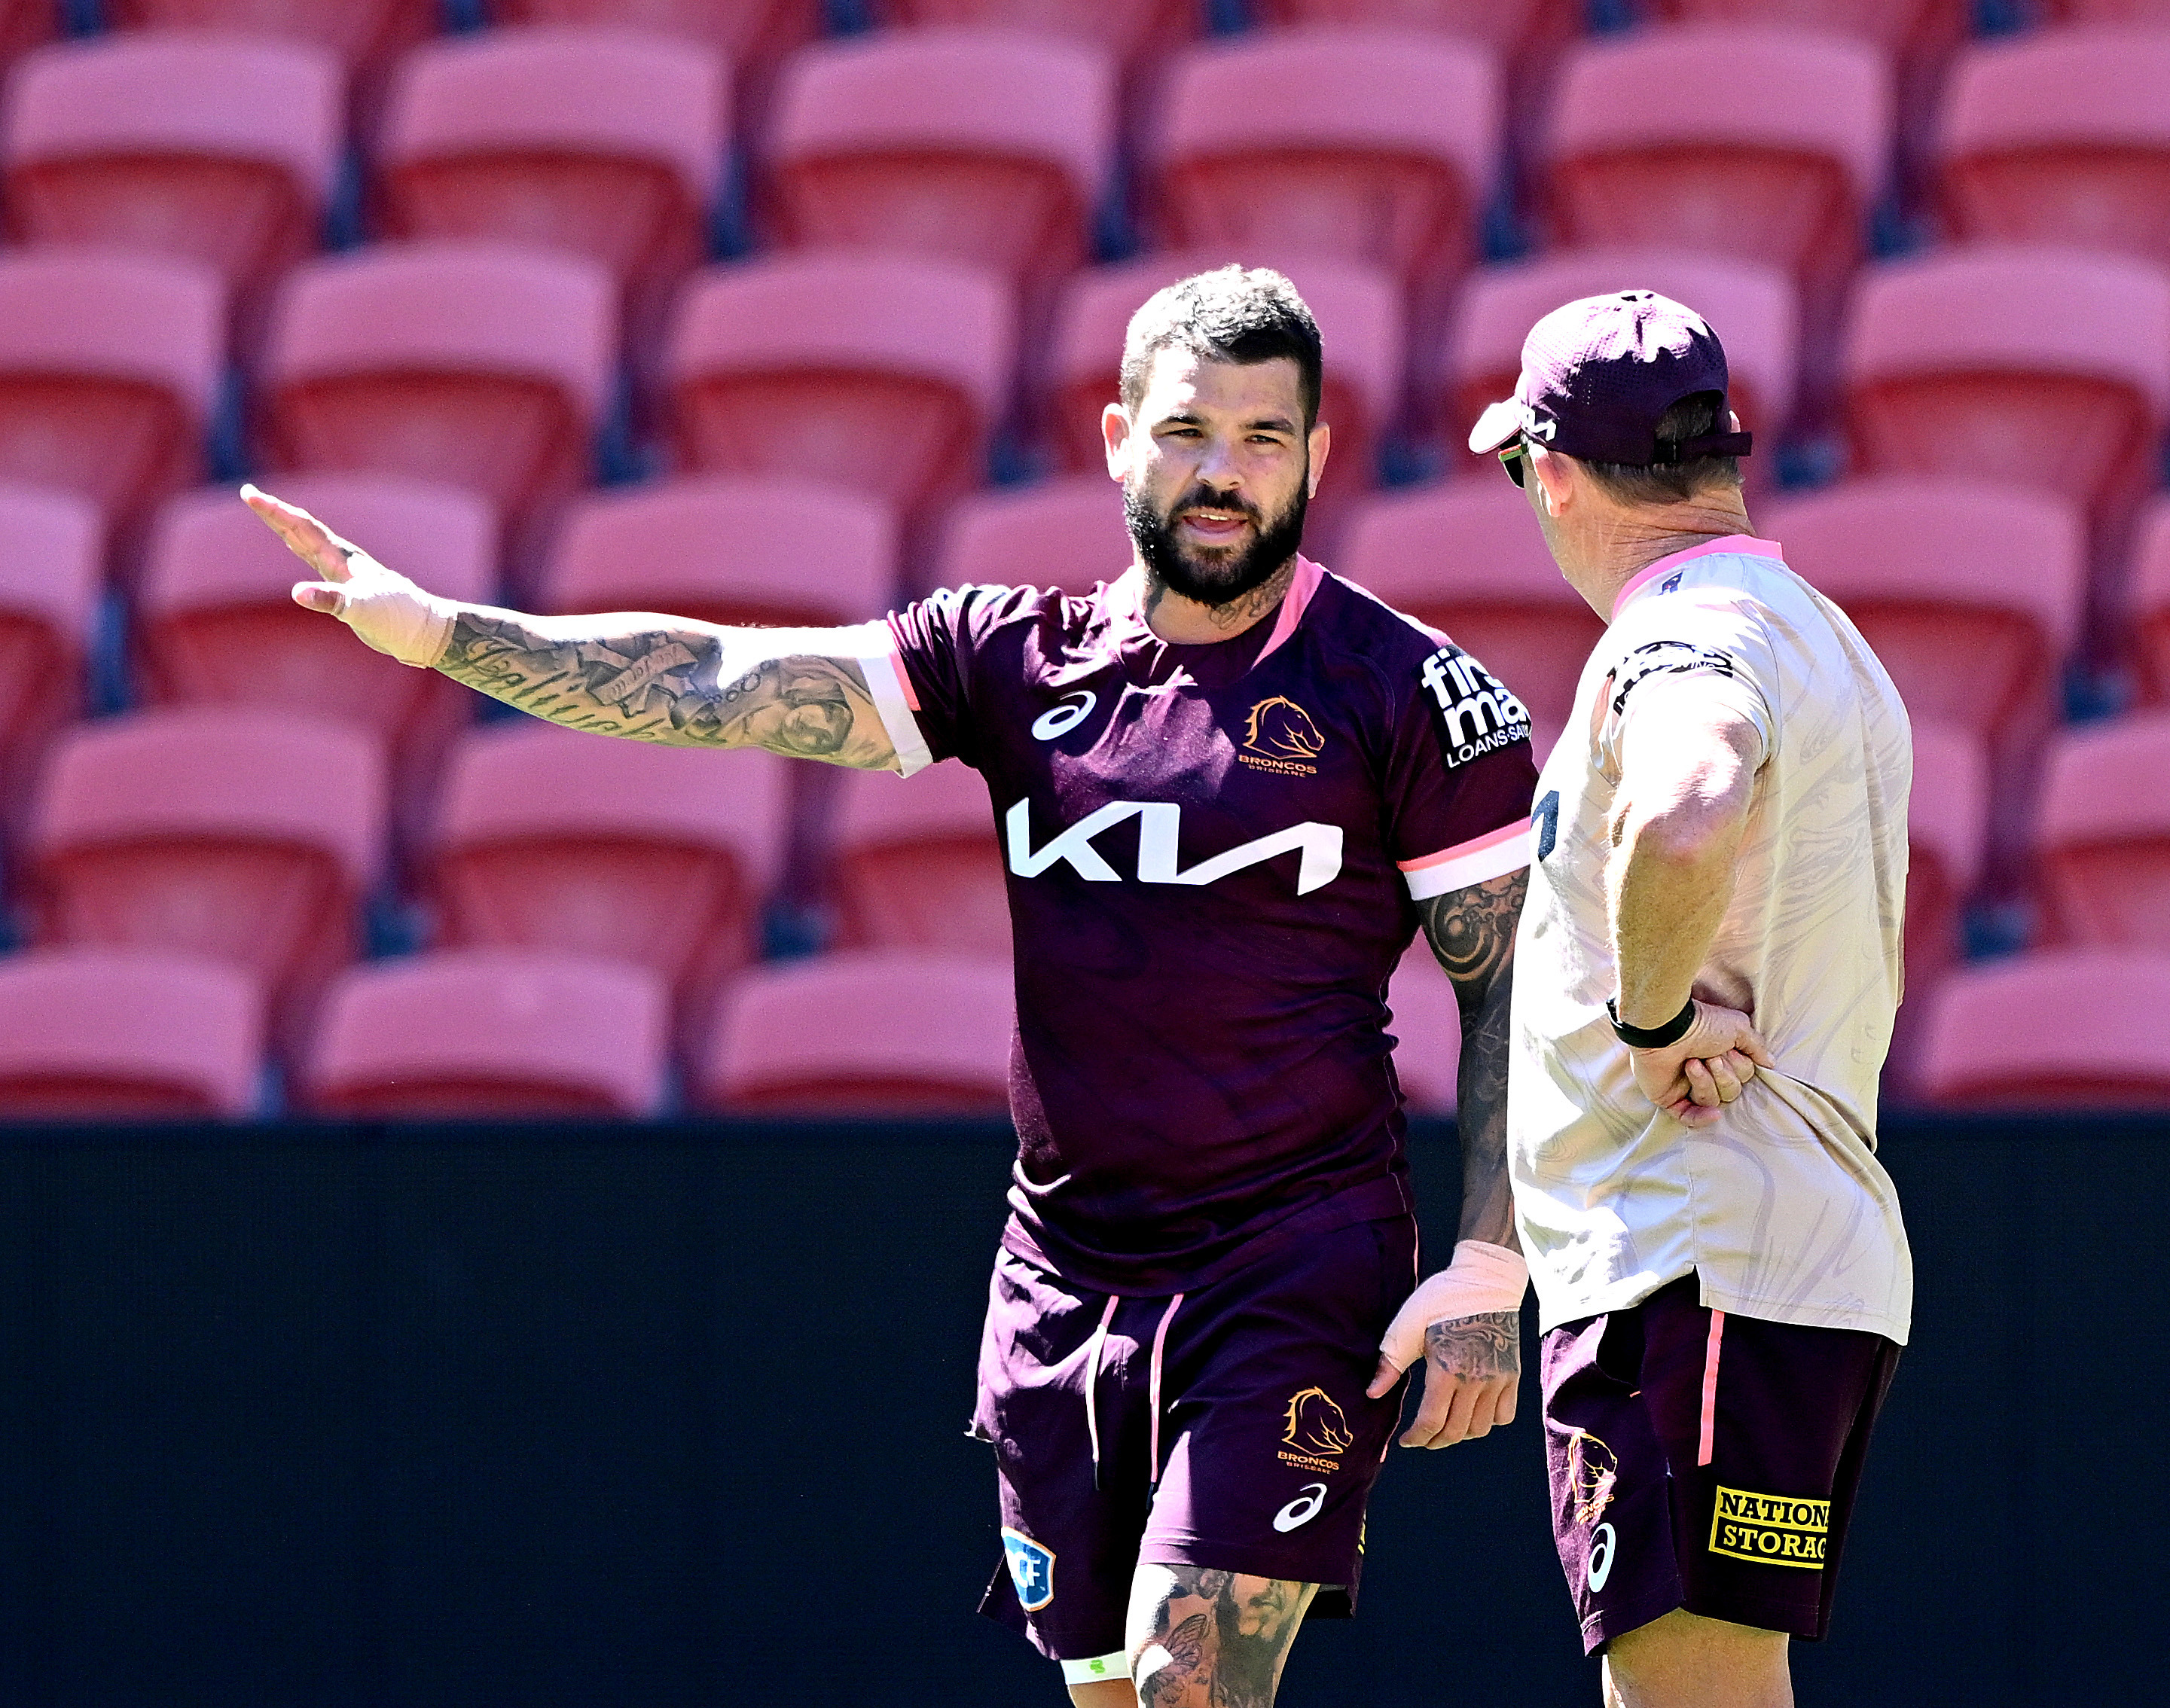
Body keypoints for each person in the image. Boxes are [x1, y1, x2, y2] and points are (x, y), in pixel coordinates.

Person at [246, 265, 1544, 1707]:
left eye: (1261, 439)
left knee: (1193, 1681)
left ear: (1315, 453)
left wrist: (1491, 1265)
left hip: (1294, 1261)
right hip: (1065, 1269)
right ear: (1118, 439)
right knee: (1113, 1694)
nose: (1222, 476)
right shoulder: (1007, 658)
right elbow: (726, 680)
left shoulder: (1406, 692)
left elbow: (1511, 989)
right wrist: (438, 632)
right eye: (1189, 434)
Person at [1469, 291, 1915, 1708]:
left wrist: (1652, 1024)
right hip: (1766, 1257)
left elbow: (1682, 807)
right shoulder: (1816, 627)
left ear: (1553, 472)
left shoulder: (1686, 629)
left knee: (1689, 1694)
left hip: (1693, 1259)